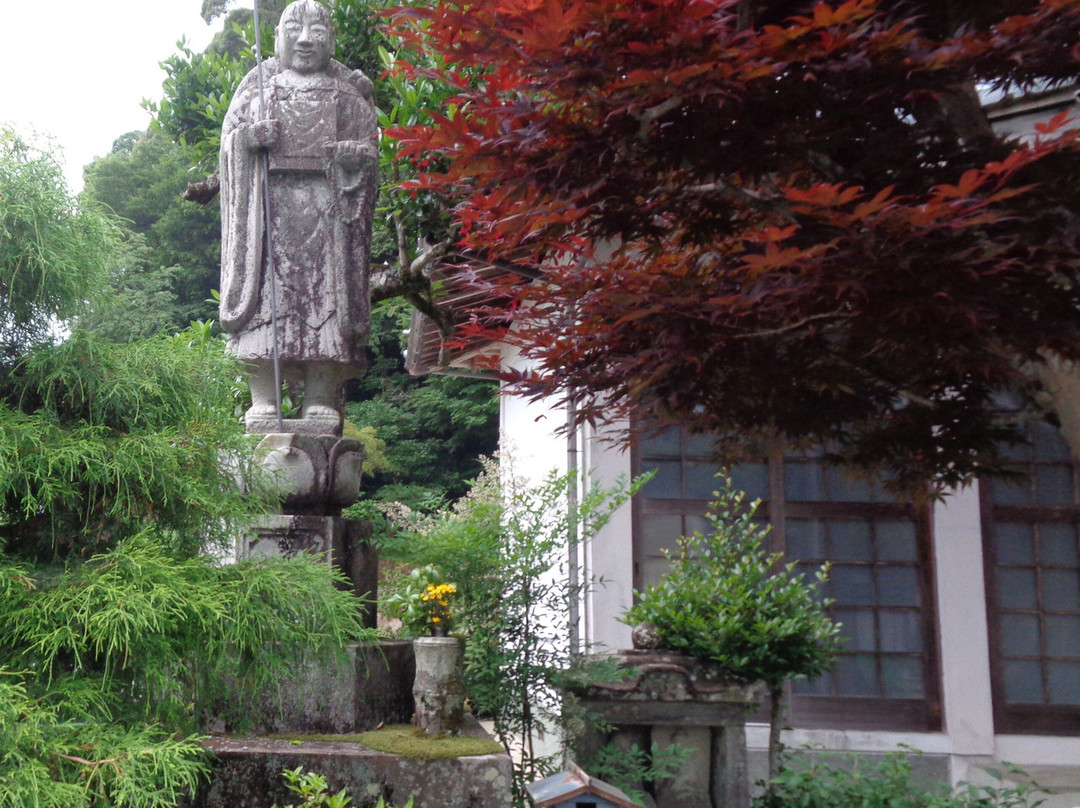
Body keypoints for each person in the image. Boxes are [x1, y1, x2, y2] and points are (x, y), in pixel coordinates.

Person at [219, 0, 377, 434]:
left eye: (317, 30)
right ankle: (264, 400)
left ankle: (321, 397)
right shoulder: (258, 87)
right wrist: (247, 141)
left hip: (329, 222)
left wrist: (354, 160)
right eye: (294, 28)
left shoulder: (347, 94)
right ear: (277, 38)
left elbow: (368, 152)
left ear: (331, 38)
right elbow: (229, 149)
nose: (306, 39)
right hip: (269, 218)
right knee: (267, 305)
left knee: (327, 301)